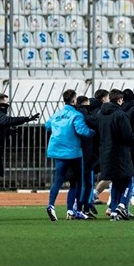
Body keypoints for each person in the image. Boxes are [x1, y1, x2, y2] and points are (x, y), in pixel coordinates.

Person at [97, 89, 134, 221]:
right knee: (129, 179)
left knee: (115, 182)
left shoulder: (100, 114)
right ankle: (122, 204)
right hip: (120, 152)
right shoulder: (120, 114)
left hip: (105, 151)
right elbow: (127, 135)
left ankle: (114, 211)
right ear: (120, 100)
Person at [45, 89, 95, 221]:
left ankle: (51, 205)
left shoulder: (57, 114)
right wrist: (94, 132)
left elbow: (47, 125)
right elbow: (82, 130)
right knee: (77, 182)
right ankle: (76, 210)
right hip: (73, 152)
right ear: (74, 100)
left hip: (57, 150)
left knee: (58, 180)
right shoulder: (76, 115)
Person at [75, 95, 101, 217]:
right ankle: (82, 209)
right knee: (87, 183)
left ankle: (76, 208)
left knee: (80, 183)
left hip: (75, 151)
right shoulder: (86, 115)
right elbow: (95, 125)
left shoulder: (73, 113)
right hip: (87, 152)